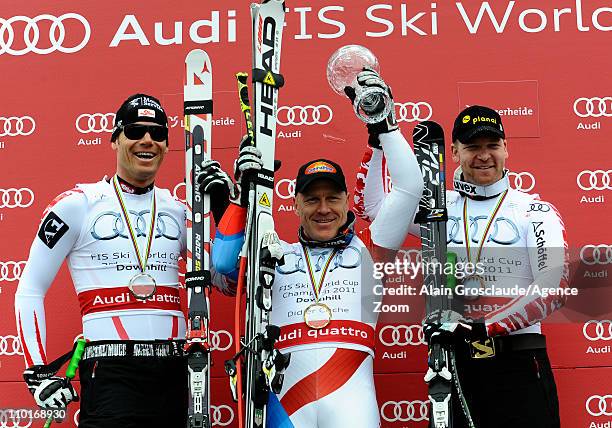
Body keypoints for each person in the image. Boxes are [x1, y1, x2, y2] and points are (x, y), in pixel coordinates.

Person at [202, 70, 424, 427]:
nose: (323, 209)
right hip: (284, 403)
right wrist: (242, 199)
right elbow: (225, 266)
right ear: (295, 203)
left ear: (347, 200)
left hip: (352, 403)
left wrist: (385, 125)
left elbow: (410, 187)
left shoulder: (371, 251)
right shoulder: (275, 254)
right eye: (312, 199)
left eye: (332, 198)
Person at [14, 93, 234, 427]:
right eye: (135, 131)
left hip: (175, 373)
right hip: (111, 373)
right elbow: (30, 288)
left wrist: (227, 213)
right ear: (116, 139)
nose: (148, 140)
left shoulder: (181, 211)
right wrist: (36, 372)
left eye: (158, 133)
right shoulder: (78, 204)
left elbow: (228, 285)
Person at [355, 105, 569, 428]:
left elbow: (554, 286)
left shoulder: (534, 211)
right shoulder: (438, 209)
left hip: (519, 365)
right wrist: (378, 140)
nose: (484, 156)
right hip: (453, 364)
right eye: (472, 147)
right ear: (454, 152)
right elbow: (371, 207)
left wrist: (481, 326)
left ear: (506, 148)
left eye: (492, 145)